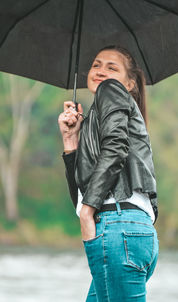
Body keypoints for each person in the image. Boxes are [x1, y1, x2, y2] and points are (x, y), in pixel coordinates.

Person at [58, 45, 159, 302]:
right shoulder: (100, 116)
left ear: (130, 83)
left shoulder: (109, 90)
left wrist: (89, 210)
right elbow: (80, 197)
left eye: (112, 68)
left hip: (118, 227)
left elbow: (115, 148)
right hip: (128, 230)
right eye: (96, 65)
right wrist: (71, 141)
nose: (101, 71)